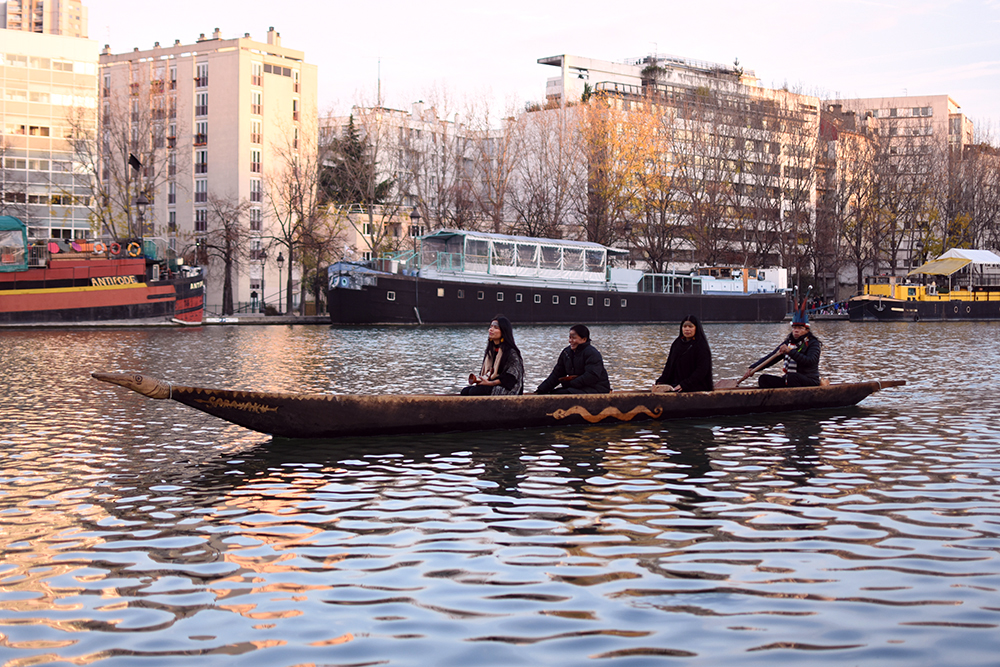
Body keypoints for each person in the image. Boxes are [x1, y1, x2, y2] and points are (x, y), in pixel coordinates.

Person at [741, 304, 821, 388]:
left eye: (800, 328)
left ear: (807, 330)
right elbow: (771, 357)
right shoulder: (788, 342)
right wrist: (753, 368)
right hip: (790, 380)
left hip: (809, 381)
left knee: (792, 377)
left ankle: (794, 399)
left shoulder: (813, 343)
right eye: (794, 328)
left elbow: (810, 361)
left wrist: (790, 352)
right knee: (763, 379)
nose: (796, 331)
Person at [536, 324, 611, 394]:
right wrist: (541, 390)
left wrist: (571, 383)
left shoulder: (592, 353)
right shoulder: (566, 353)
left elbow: (592, 376)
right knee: (552, 393)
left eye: (574, 338)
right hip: (578, 388)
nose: (570, 341)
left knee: (560, 394)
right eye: (570, 337)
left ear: (584, 339)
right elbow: (556, 374)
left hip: (597, 389)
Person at [461, 315, 524, 396]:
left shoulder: (511, 352)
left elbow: (511, 378)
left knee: (475, 392)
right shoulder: (491, 351)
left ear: (504, 331)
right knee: (465, 391)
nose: (491, 329)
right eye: (491, 327)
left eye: (495, 328)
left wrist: (490, 383)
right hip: (491, 385)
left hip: (508, 389)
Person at [655, 314, 713, 392]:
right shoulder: (677, 343)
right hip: (677, 385)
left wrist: (685, 384)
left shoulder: (701, 346)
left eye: (690, 327)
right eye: (684, 326)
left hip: (697, 387)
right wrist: (661, 381)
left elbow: (702, 370)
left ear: (696, 328)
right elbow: (669, 365)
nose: (687, 329)